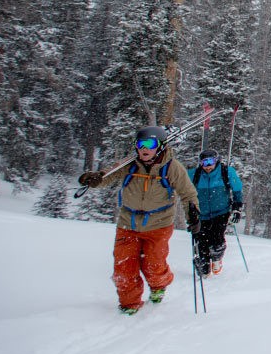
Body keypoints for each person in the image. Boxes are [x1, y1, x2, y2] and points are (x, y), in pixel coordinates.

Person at [78, 126, 200, 315]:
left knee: (154, 264)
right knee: (123, 266)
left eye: (149, 144)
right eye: (140, 144)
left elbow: (188, 193)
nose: (144, 148)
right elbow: (108, 176)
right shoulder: (129, 164)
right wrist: (94, 179)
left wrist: (193, 213)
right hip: (128, 223)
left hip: (158, 224)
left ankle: (159, 286)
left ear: (159, 147)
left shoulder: (172, 167)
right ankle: (129, 303)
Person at [187, 149, 244, 277]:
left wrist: (237, 207)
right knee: (202, 242)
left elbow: (237, 188)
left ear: (216, 160)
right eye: (204, 162)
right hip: (201, 215)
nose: (207, 166)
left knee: (216, 240)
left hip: (221, 212)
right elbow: (182, 188)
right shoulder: (194, 175)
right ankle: (204, 268)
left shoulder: (226, 172)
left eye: (210, 161)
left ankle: (217, 258)